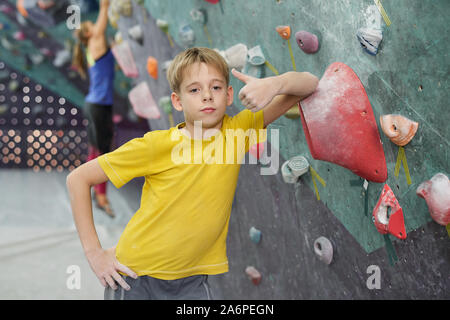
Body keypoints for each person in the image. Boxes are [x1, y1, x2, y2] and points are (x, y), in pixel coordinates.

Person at [66, 47, 319, 299]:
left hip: (192, 283)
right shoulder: (156, 145)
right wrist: (94, 254)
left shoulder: (238, 132)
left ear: (229, 95)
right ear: (177, 100)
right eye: (195, 89)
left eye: (216, 87)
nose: (207, 96)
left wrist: (275, 84)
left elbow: (309, 84)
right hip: (137, 277)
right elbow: (78, 179)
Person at [72, 0, 115, 216]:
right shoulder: (95, 41)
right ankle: (101, 196)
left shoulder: (92, 47)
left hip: (95, 104)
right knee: (102, 153)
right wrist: (104, 5)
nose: (94, 28)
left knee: (94, 150)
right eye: (90, 28)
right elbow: (105, 8)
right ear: (89, 34)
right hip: (98, 106)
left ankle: (88, 185)